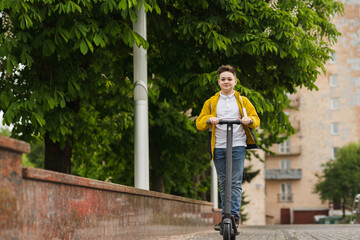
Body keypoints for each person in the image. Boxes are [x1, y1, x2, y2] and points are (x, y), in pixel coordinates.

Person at [196, 65, 260, 233]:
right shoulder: (211, 102)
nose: (226, 82)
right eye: (223, 79)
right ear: (218, 82)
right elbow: (199, 123)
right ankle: (226, 216)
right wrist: (210, 119)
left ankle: (233, 217)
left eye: (229, 79)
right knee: (224, 182)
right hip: (218, 146)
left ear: (235, 81)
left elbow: (256, 119)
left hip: (238, 144)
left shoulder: (242, 101)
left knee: (235, 182)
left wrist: (248, 120)